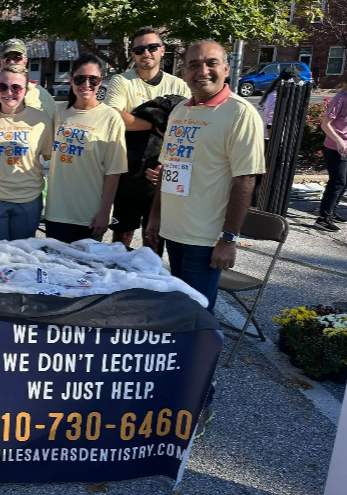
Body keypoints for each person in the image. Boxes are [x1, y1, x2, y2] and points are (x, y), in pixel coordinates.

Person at [145, 40, 264, 314]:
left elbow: (245, 180)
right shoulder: (179, 110)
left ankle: (200, 358)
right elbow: (169, 168)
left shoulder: (240, 114)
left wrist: (228, 239)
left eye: (211, 63)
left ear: (225, 68)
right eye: (194, 64)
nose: (203, 71)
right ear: (184, 71)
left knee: (195, 317)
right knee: (179, 311)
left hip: (206, 240)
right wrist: (155, 217)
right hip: (174, 233)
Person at [104, 26, 190, 249]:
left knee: (154, 238)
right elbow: (114, 118)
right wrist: (158, 123)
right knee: (122, 237)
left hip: (162, 172)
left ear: (162, 50)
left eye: (152, 47)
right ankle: (119, 281)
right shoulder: (121, 81)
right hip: (129, 171)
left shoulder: (178, 85)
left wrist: (137, 121)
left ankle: (150, 283)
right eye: (140, 49)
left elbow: (186, 128)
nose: (146, 53)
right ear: (133, 54)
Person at [45, 55, 127, 243]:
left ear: (101, 81)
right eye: (80, 79)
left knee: (84, 271)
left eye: (93, 79)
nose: (86, 84)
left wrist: (104, 212)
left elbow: (114, 171)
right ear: (72, 80)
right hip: (56, 212)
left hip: (89, 214)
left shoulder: (110, 118)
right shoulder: (59, 112)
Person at [0, 64, 53, 241]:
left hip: (28, 198)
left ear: (25, 90)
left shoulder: (42, 121)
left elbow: (51, 158)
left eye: (16, 87)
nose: (9, 92)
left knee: (21, 259)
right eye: (3, 87)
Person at [0, 39, 57, 124]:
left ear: (25, 61)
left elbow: (54, 124)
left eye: (17, 58)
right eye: (6, 58)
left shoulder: (40, 93)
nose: (11, 62)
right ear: (1, 61)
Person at [316, 82, 347, 231]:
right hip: (335, 147)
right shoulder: (341, 98)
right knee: (338, 181)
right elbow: (325, 124)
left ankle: (332, 212)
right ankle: (323, 218)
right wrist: (339, 140)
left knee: (344, 182)